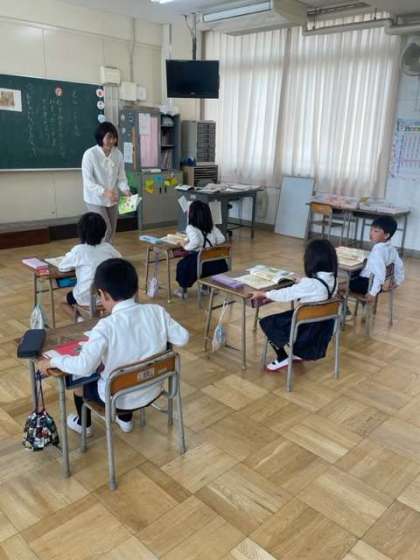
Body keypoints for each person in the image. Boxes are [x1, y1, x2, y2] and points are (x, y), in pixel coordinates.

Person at [38, 258, 189, 435]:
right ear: (135, 289)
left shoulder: (105, 327)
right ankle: (125, 420)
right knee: (130, 359)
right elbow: (183, 338)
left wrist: (52, 362)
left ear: (103, 295)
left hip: (116, 399)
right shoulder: (157, 311)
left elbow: (84, 366)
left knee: (80, 377)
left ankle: (83, 424)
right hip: (153, 387)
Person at [251, 239, 338, 372]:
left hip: (303, 327)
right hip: (320, 326)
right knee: (284, 318)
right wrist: (303, 280)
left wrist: (264, 294)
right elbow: (317, 289)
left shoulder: (310, 284)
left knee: (267, 322)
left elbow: (286, 294)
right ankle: (297, 353)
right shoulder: (334, 280)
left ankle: (282, 357)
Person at [58, 212, 121, 320]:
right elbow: (120, 262)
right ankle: (105, 317)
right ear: (103, 232)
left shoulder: (79, 250)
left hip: (85, 296)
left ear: (80, 232)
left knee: (62, 302)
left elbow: (62, 267)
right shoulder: (108, 248)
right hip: (109, 295)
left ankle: (80, 320)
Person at [82, 121, 131, 242]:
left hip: (112, 198)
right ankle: (99, 251)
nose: (112, 141)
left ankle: (107, 251)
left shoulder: (118, 154)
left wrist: (126, 190)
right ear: (100, 137)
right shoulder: (90, 154)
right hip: (95, 199)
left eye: (114, 138)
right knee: (105, 229)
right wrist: (104, 192)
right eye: (108, 137)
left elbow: (121, 177)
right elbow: (88, 182)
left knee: (112, 230)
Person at [175, 200, 228, 298]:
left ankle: (183, 290)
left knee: (182, 266)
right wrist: (211, 242)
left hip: (199, 261)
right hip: (216, 262)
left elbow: (195, 242)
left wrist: (184, 245)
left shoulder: (190, 227)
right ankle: (205, 288)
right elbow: (222, 239)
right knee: (204, 265)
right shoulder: (212, 226)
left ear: (192, 215)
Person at [349, 215, 404, 302]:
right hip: (375, 284)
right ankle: (362, 304)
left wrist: (373, 292)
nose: (371, 233)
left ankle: (346, 308)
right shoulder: (392, 248)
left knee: (337, 286)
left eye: (376, 231)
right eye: (371, 230)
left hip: (367, 284)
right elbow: (399, 265)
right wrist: (398, 281)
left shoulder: (377, 250)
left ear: (386, 235)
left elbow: (379, 273)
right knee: (354, 274)